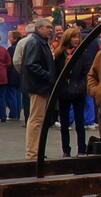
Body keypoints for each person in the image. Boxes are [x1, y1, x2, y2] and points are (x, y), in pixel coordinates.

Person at [23, 17, 57, 160]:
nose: (50, 29)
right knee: (35, 120)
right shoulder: (35, 42)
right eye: (47, 27)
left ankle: (35, 151)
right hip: (38, 86)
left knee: (37, 120)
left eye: (51, 27)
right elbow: (31, 65)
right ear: (39, 28)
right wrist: (48, 76)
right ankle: (32, 153)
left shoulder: (39, 42)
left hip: (39, 85)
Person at [53, 26, 90, 156]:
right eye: (73, 37)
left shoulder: (83, 54)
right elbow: (56, 73)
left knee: (80, 123)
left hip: (78, 91)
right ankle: (66, 150)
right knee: (64, 124)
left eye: (77, 37)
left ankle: (81, 150)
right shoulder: (59, 55)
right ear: (67, 38)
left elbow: (86, 73)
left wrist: (80, 87)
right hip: (63, 92)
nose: (76, 39)